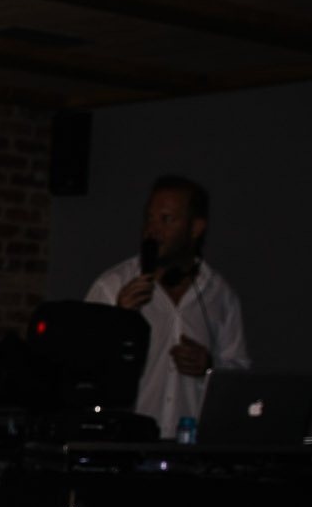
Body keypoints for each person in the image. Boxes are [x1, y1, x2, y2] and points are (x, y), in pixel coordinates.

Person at [83, 174, 249, 433]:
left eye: (166, 219)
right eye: (149, 218)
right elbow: (83, 372)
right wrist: (121, 321)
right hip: (126, 444)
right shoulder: (112, 285)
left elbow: (240, 375)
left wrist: (209, 366)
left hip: (190, 448)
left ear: (195, 228)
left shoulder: (220, 295)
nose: (152, 230)